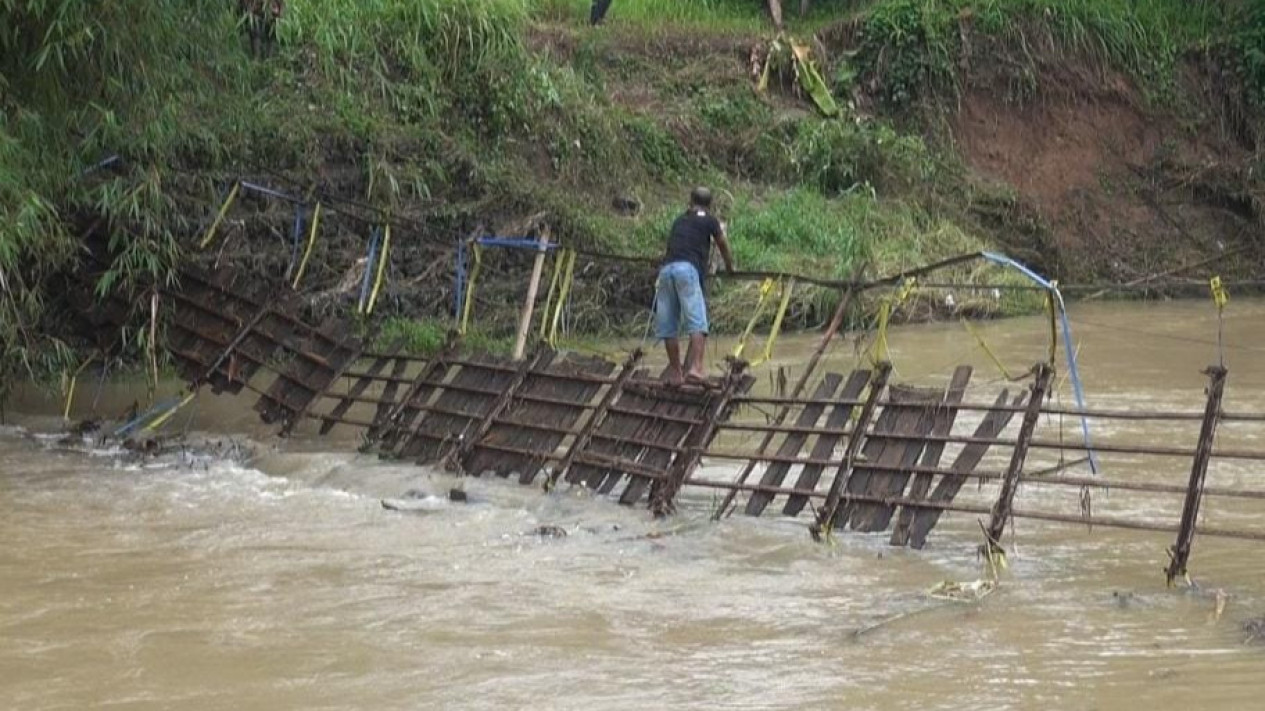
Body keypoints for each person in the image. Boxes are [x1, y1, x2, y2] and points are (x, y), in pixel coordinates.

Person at [655, 187, 735, 385]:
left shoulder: (680, 220)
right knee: (697, 320)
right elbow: (722, 244)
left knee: (669, 325)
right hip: (687, 271)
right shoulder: (710, 220)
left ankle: (676, 372)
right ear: (710, 205)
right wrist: (730, 267)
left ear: (690, 202)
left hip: (666, 271)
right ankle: (696, 368)